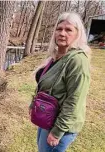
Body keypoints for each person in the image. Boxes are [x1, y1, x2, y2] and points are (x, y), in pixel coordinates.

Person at [29, 12, 91, 152]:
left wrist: (57, 132)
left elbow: (75, 101)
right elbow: (43, 84)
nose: (62, 33)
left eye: (68, 30)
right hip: (47, 117)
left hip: (60, 125)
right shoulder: (57, 56)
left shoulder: (77, 61)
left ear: (78, 34)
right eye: (59, 29)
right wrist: (33, 104)